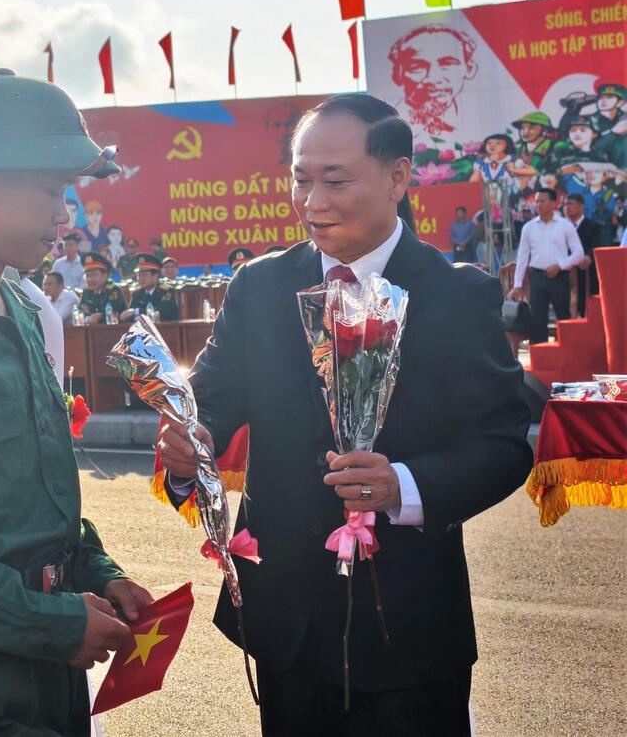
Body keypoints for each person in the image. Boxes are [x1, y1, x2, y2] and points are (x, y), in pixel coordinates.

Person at [160, 93, 532, 737]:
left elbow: (503, 443)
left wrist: (406, 486)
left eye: (335, 180)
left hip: (411, 626)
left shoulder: (457, 293)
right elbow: (210, 403)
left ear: (397, 176)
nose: (312, 201)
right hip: (287, 622)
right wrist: (188, 448)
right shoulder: (260, 286)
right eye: (301, 179)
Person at [0, 68, 153, 735]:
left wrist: (96, 570)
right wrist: (46, 618)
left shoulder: (20, 311)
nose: (64, 216)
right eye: (50, 190)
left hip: (49, 684)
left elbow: (33, 494)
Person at [508, 188, 584, 343]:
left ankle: (568, 354)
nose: (538, 204)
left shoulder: (565, 225)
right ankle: (538, 361)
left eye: (542, 201)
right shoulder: (528, 227)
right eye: (537, 201)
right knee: (537, 320)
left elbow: (578, 253)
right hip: (537, 277)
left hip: (560, 277)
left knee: (563, 317)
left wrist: (560, 266)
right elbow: (522, 257)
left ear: (553, 203)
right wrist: (517, 284)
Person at [387, 25, 478, 141]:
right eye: (417, 67)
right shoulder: (388, 132)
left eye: (447, 64)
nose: (433, 78)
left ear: (469, 69)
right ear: (397, 74)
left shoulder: (477, 118)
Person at [563, 193, 600, 315]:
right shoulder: (561, 227)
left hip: (585, 274)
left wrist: (588, 256)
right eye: (565, 204)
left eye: (571, 204)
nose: (567, 207)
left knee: (586, 310)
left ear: (581, 207)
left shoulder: (593, 226)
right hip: (565, 275)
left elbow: (596, 246)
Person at [120, 253, 179, 322]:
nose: (141, 279)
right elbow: (129, 316)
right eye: (139, 275)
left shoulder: (167, 291)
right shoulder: (137, 293)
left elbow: (162, 313)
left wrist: (136, 311)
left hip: (166, 330)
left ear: (155, 276)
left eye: (145, 275)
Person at [77, 252, 127, 323]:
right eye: (87, 275)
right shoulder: (87, 292)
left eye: (94, 275)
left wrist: (98, 317)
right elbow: (79, 312)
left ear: (105, 275)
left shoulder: (114, 290)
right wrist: (88, 319)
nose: (90, 279)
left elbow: (114, 313)